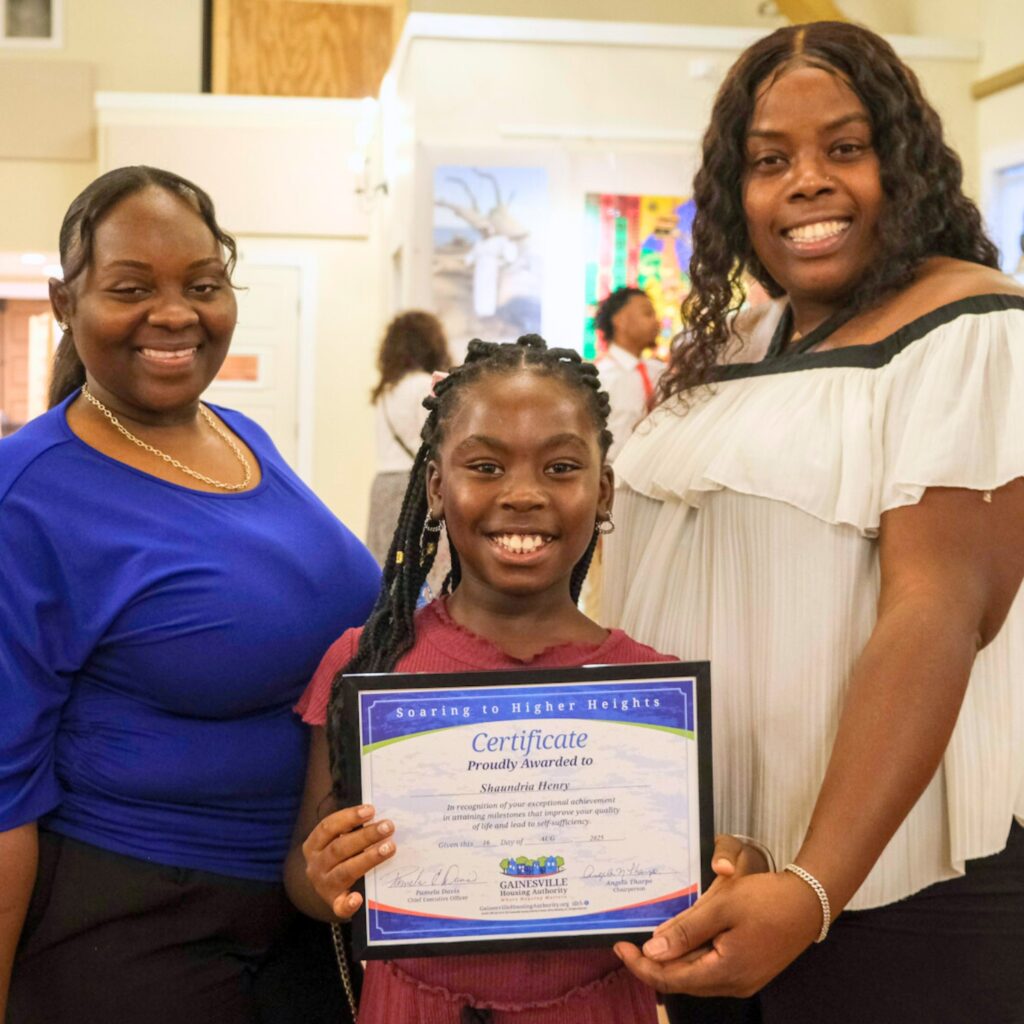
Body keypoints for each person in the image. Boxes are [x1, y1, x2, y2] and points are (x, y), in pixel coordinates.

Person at [603, 21, 1024, 1024]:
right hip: (720, 873)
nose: (806, 183)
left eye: (845, 147)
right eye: (769, 161)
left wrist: (814, 887)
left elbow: (939, 608)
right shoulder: (737, 343)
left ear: (903, 164)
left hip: (890, 886)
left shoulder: (974, 329)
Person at [285, 336, 763, 1022]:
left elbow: (686, 881)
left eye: (561, 467)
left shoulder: (654, 693)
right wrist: (326, 873)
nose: (523, 495)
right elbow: (304, 884)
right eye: (485, 466)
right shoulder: (367, 665)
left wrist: (733, 871)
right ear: (436, 487)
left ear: (603, 490)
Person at [0, 166, 381, 1023]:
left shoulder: (239, 436)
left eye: (202, 285)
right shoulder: (25, 494)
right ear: (65, 303)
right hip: (136, 921)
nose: (175, 314)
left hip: (300, 910)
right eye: (131, 288)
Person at [367, 310, 451, 592]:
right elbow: (432, 442)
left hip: (383, 484)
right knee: (419, 565)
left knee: (385, 563)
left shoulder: (387, 390)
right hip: (414, 484)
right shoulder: (423, 386)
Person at [593, 286, 663, 462]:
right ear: (620, 320)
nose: (657, 322)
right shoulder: (600, 378)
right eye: (647, 314)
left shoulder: (660, 372)